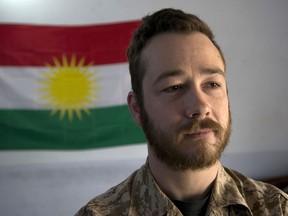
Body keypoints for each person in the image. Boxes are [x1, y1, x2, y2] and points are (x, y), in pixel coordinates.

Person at [75, 8, 288, 216]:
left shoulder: (278, 208)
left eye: (212, 84)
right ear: (137, 108)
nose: (200, 107)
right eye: (174, 87)